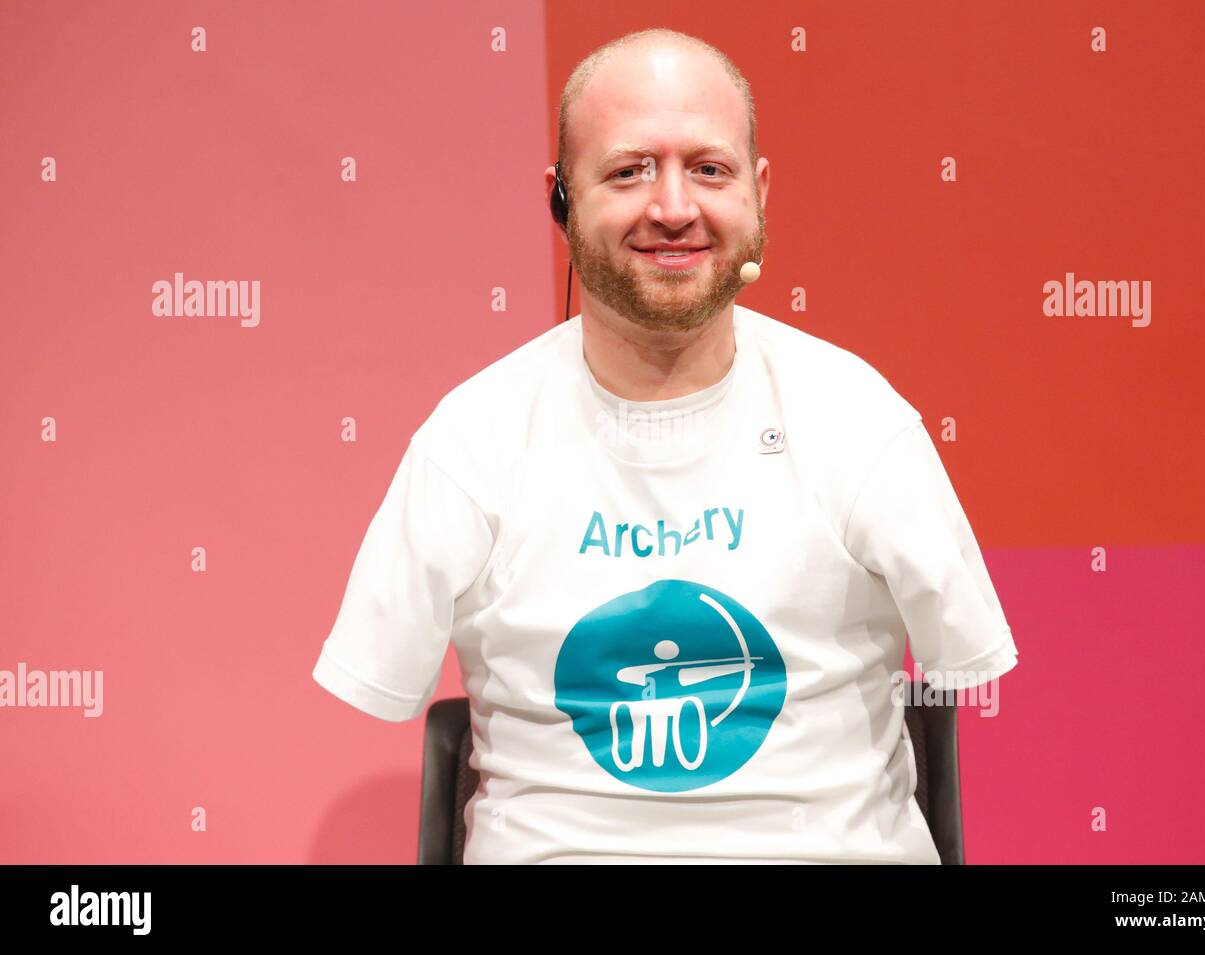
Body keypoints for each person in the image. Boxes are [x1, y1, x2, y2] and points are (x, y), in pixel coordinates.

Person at [311, 27, 1019, 864]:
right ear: (561, 197)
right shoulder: (471, 440)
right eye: (629, 170)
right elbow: (382, 679)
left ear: (759, 193)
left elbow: (965, 662)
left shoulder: (859, 419)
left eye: (709, 169)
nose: (675, 207)